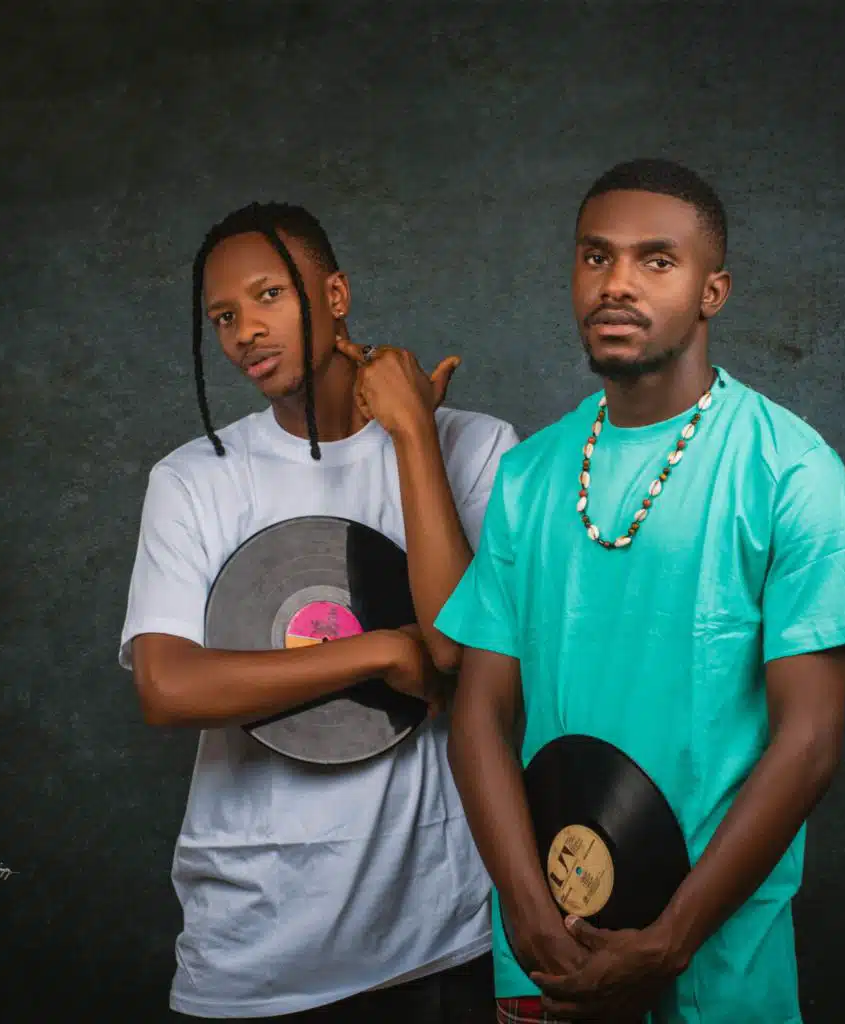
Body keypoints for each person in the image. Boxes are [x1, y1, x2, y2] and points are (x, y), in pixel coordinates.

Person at [436, 159, 845, 1023]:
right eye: (596, 256)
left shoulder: (791, 470)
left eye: (657, 260)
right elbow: (479, 713)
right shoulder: (528, 477)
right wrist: (529, 917)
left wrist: (671, 940)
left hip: (714, 968)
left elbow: (811, 740)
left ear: (713, 292)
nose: (617, 283)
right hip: (548, 958)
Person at [118, 201, 519, 1020]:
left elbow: (453, 650)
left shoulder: (475, 449)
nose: (245, 332)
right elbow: (167, 687)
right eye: (223, 317)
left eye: (269, 295)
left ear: (335, 294)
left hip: (440, 933)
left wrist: (413, 436)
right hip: (257, 947)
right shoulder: (194, 479)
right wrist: (378, 652)